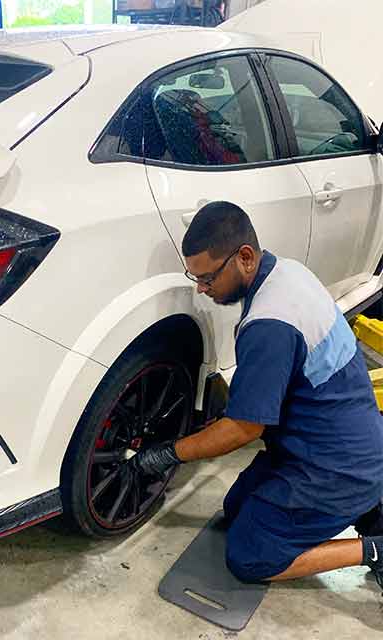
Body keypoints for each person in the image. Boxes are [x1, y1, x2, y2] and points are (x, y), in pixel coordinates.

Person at [133, 201, 383, 587]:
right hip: (343, 442)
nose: (201, 289)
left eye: (208, 278)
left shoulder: (270, 325)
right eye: (195, 278)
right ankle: (370, 504)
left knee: (249, 556)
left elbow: (242, 429)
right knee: (236, 508)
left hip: (333, 467)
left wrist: (169, 453)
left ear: (245, 257)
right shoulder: (287, 272)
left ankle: (375, 547)